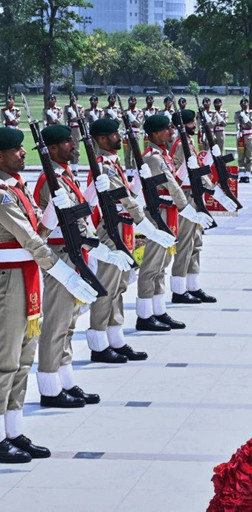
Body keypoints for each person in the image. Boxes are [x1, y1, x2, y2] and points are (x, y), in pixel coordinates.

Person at [0, 128, 96, 461]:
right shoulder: (2, 193)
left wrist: (51, 217)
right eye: (15, 150)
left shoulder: (17, 188)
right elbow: (29, 239)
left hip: (27, 276)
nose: (22, 153)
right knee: (6, 360)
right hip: (9, 279)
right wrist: (63, 271)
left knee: (24, 358)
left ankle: (13, 431)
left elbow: (36, 232)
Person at [33, 125, 132, 407]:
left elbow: (79, 213)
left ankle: (65, 381)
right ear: (51, 149)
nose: (73, 146)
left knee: (69, 322)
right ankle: (50, 385)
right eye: (66, 142)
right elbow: (43, 228)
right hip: (60, 255)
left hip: (76, 251)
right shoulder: (47, 179)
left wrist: (90, 192)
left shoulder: (64, 175)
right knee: (56, 322)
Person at [87, 119, 176, 361]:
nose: (119, 137)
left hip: (122, 228)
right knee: (106, 289)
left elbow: (128, 196)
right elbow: (125, 202)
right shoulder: (102, 167)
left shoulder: (112, 163)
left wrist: (138, 181)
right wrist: (149, 229)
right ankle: (99, 343)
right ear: (102, 140)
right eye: (114, 134)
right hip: (110, 230)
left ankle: (115, 339)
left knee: (118, 288)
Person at [135, 115, 213, 331]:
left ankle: (158, 310)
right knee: (151, 266)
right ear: (153, 134)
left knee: (161, 266)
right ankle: (144, 315)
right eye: (165, 129)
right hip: (158, 213)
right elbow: (172, 186)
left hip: (167, 212)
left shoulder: (163, 155)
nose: (170, 132)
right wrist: (188, 210)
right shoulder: (153, 158)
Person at [170, 110, 236, 302]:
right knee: (186, 242)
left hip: (195, 194)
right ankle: (179, 289)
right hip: (187, 196)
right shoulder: (181, 145)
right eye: (192, 123)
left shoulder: (188, 143)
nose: (195, 126)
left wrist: (210, 160)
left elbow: (198, 169)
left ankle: (192, 285)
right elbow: (183, 175)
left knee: (196, 242)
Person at [236, 98, 252, 183]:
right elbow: (237, 122)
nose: (244, 105)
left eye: (246, 103)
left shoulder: (251, 113)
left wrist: (245, 117)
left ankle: (247, 175)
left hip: (249, 136)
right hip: (241, 135)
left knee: (249, 156)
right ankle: (241, 175)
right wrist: (238, 130)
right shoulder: (237, 113)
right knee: (241, 157)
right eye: (243, 103)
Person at [123, 96, 144, 178]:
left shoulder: (139, 111)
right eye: (130, 100)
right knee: (126, 155)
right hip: (126, 135)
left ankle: (135, 172)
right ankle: (128, 173)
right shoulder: (124, 111)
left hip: (135, 134)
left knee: (135, 154)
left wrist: (131, 116)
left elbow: (138, 124)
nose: (132, 102)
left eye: (134, 100)